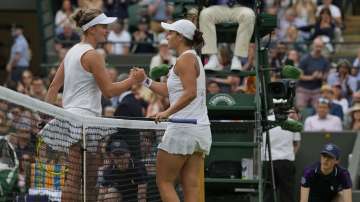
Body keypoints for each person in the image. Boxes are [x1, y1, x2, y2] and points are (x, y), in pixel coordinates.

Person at [43, 8, 145, 201]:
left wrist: (46, 115)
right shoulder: (93, 55)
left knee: (89, 177)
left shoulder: (72, 51)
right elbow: (109, 91)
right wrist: (133, 79)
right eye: (103, 27)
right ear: (91, 29)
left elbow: (54, 86)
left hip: (75, 119)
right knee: (77, 177)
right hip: (83, 120)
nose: (107, 30)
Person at [132, 19, 212, 202]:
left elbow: (190, 93)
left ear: (180, 37)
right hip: (198, 131)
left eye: (171, 33)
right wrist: (145, 80)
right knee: (190, 185)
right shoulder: (190, 58)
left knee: (164, 182)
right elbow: (171, 90)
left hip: (183, 129)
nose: (167, 36)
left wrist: (167, 112)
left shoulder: (185, 60)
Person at [199, 0, 256, 71]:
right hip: (219, 7)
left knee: (249, 15)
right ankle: (213, 58)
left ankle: (237, 58)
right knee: (205, 14)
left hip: (240, 6)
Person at [262, 108, 301, 202]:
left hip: (267, 162)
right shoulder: (292, 122)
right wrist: (291, 155)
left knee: (268, 194)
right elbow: (297, 144)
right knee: (287, 194)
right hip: (286, 162)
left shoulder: (263, 121)